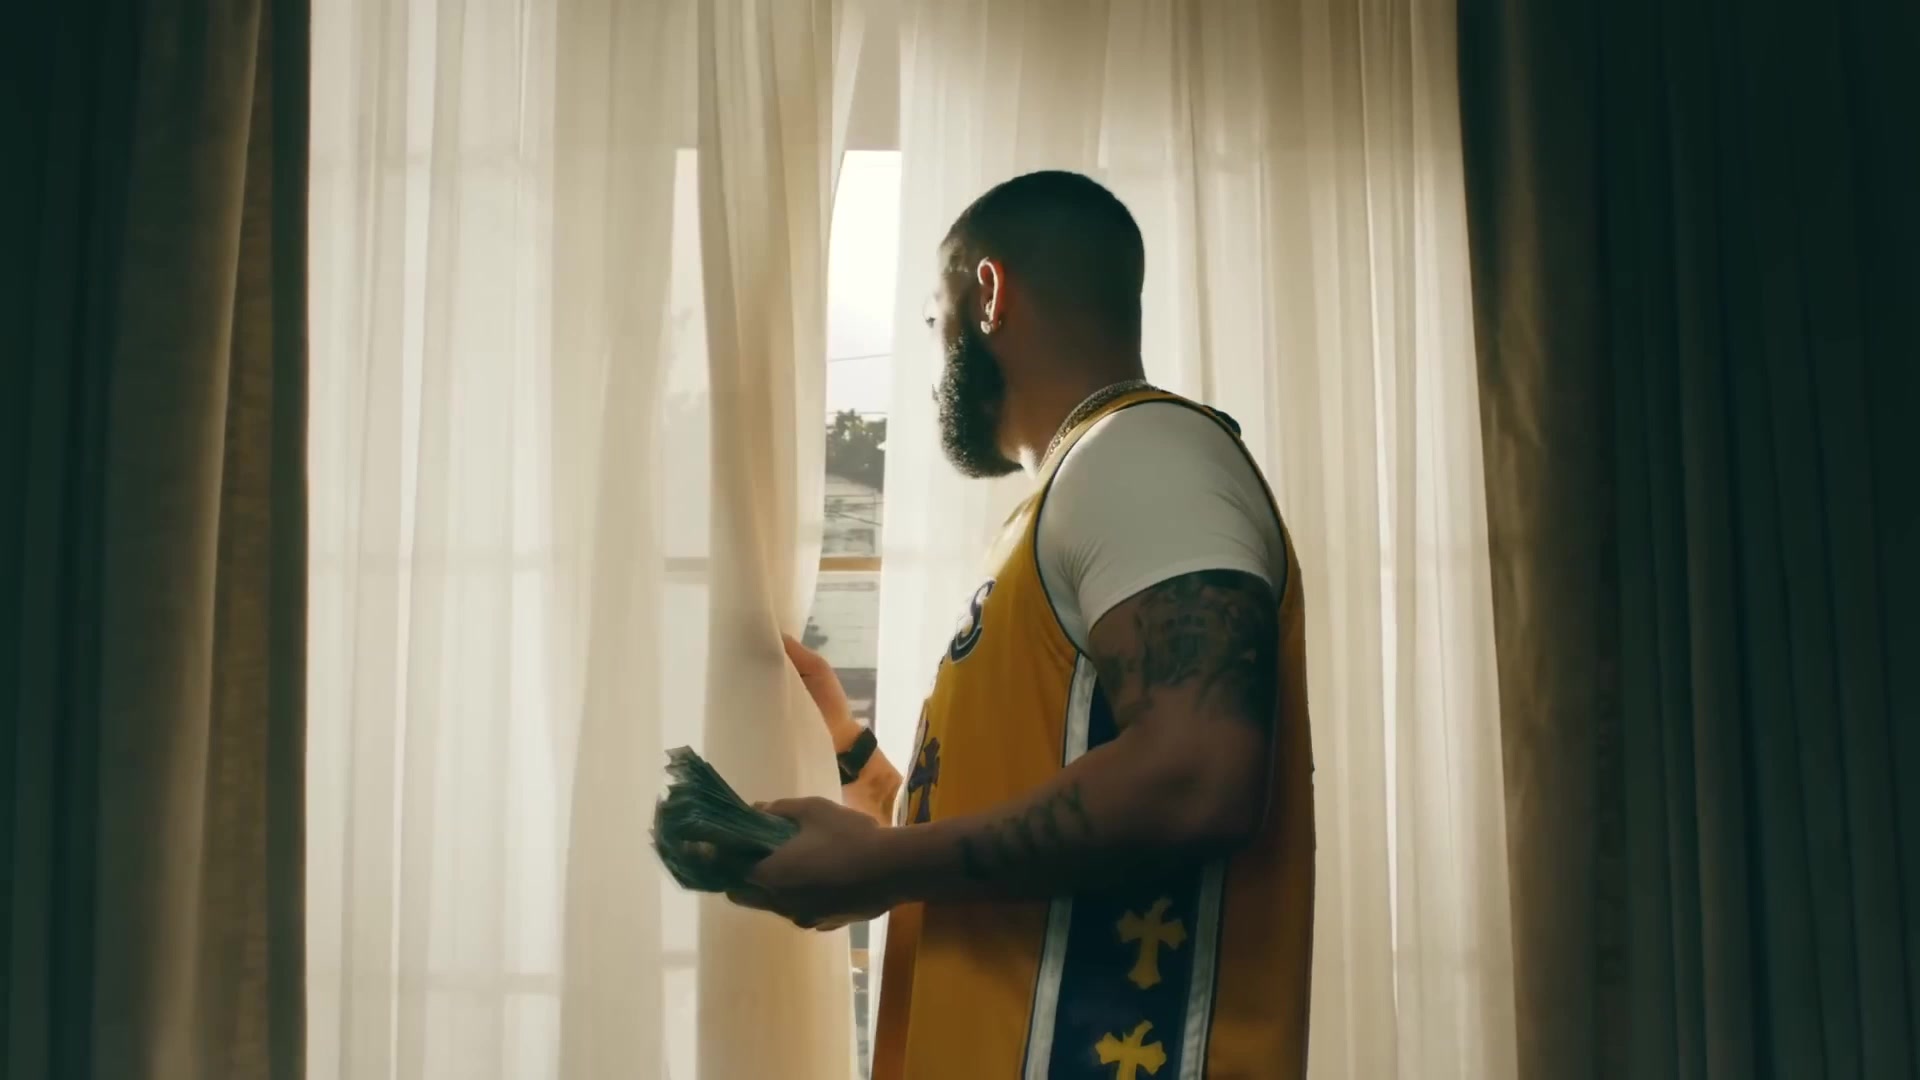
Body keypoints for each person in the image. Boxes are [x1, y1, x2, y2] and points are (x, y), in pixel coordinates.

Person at [732, 170, 1315, 1080]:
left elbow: (1198, 777)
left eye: (937, 319)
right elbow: (1039, 796)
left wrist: (882, 867)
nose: (937, 353)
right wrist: (854, 756)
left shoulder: (1145, 457)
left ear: (989, 293)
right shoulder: (1076, 493)